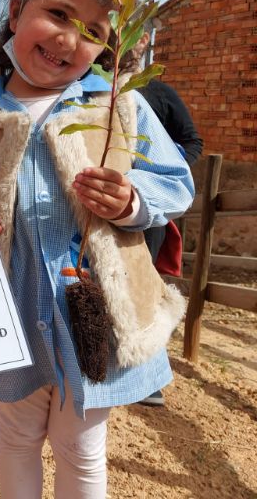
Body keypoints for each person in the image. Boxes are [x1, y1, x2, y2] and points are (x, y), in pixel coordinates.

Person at [0, 0, 194, 499]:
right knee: (17, 436)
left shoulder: (119, 104)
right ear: (18, 10)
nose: (69, 40)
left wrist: (132, 201)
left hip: (96, 310)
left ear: (109, 44)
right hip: (12, 310)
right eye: (59, 14)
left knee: (81, 447)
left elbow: (175, 183)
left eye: (93, 31)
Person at [130, 22, 204, 408]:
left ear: (144, 41)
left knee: (145, 285)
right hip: (93, 204)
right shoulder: (86, 89)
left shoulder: (158, 94)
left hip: (145, 210)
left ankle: (147, 377)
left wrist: (155, 170)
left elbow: (192, 142)